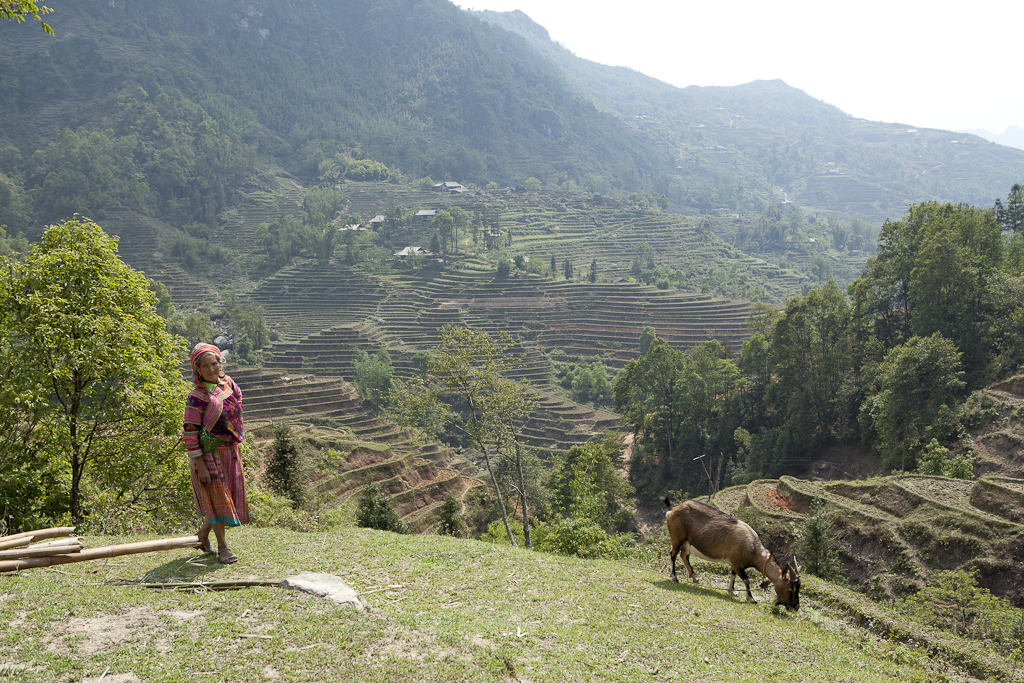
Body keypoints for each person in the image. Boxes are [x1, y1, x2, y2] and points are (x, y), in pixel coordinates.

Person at [184, 343, 249, 564]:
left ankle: (202, 535)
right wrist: (200, 463)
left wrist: (231, 428)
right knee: (218, 499)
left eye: (215, 363)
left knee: (225, 499)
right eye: (205, 366)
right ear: (197, 369)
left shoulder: (228, 383)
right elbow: (190, 432)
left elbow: (238, 400)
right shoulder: (196, 397)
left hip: (230, 452)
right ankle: (223, 548)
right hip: (208, 455)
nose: (212, 369)